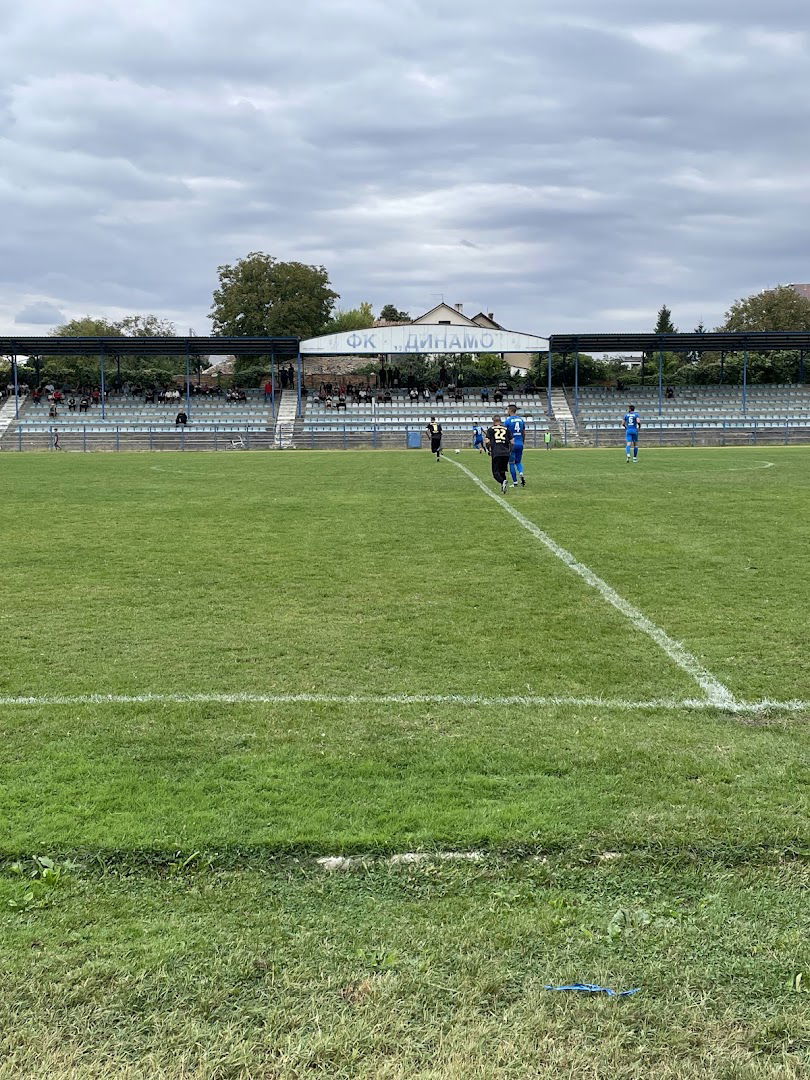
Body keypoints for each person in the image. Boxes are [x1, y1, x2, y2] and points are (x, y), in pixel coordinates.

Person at [485, 415, 512, 493]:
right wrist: (510, 450)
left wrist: (489, 450)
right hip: (506, 452)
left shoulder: (491, 429)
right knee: (502, 471)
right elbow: (512, 441)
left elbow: (487, 441)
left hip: (496, 452)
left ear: (493, 421)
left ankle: (503, 482)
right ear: (500, 421)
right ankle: (503, 487)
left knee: (495, 472)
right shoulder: (506, 429)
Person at [504, 404, 526, 487]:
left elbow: (505, 433)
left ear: (510, 410)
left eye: (507, 410)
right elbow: (524, 432)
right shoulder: (521, 420)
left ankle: (515, 482)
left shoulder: (508, 421)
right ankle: (521, 472)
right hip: (520, 443)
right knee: (519, 462)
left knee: (511, 463)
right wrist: (522, 442)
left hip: (512, 444)